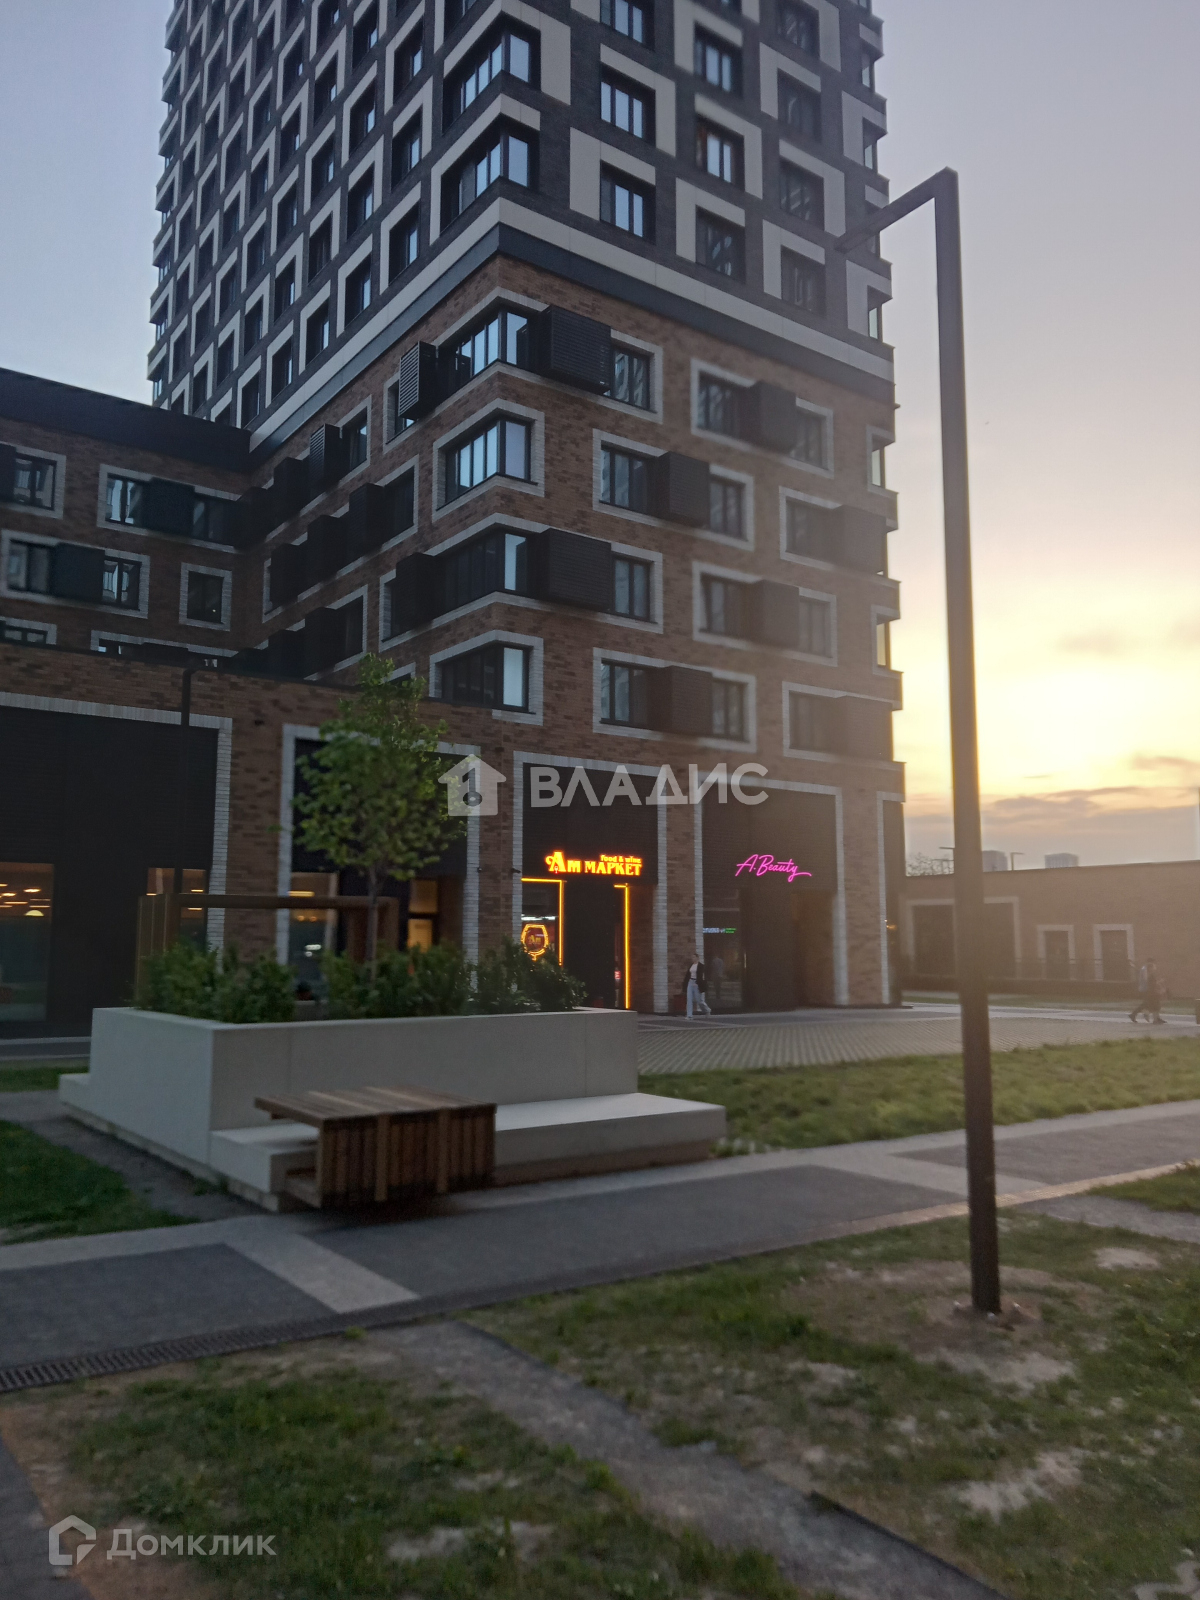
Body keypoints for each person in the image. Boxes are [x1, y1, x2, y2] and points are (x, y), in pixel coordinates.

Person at [1130, 958, 1165, 1024]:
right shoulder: (1144, 969)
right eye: (1153, 963)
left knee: (1147, 1004)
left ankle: (1154, 1017)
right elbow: (1147, 981)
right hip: (1146, 989)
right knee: (1149, 1004)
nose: (1154, 966)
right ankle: (1147, 1015)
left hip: (1148, 989)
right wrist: (1158, 983)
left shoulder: (1146, 970)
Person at [685, 954, 711, 1019]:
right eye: (692, 957)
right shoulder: (691, 965)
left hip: (697, 983)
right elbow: (688, 975)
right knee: (689, 999)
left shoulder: (701, 966)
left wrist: (698, 982)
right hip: (690, 982)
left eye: (694, 957)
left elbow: (702, 976)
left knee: (699, 1000)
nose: (692, 958)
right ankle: (689, 1015)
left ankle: (707, 1010)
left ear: (697, 958)